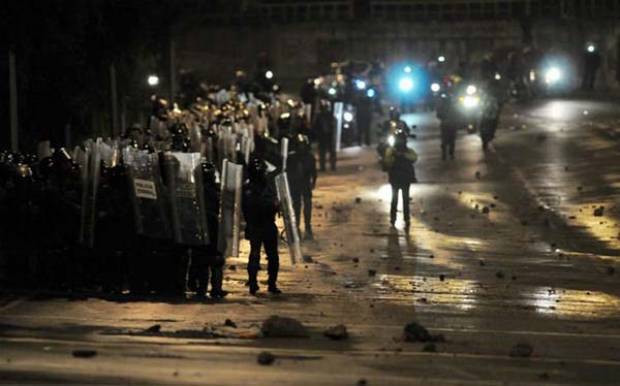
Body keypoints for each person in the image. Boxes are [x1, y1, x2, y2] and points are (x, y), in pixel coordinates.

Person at [242, 158, 281, 295]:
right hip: (265, 225)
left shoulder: (246, 188)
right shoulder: (268, 187)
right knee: (271, 256)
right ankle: (270, 284)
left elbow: (243, 209)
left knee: (255, 254)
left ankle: (253, 283)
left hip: (255, 226)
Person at [188, 161, 227, 299]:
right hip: (211, 227)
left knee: (202, 258)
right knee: (214, 258)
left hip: (203, 227)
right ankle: (214, 288)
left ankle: (202, 288)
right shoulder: (213, 191)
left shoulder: (196, 191)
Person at [383, 130, 418, 228]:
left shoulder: (407, 152)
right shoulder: (391, 151)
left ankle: (404, 218)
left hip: (402, 179)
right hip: (397, 179)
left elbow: (414, 158)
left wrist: (402, 155)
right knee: (397, 199)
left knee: (403, 199)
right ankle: (395, 218)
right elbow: (387, 162)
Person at [287, 134, 317, 240]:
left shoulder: (310, 157)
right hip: (296, 185)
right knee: (296, 206)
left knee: (307, 205)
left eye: (303, 145)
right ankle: (296, 228)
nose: (301, 147)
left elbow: (314, 171)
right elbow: (288, 173)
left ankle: (307, 227)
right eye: (300, 145)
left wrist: (313, 181)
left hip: (305, 184)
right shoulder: (291, 157)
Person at [313, 100, 337, 171]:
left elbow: (333, 125)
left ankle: (332, 166)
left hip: (329, 135)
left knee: (331, 151)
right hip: (322, 136)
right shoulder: (319, 116)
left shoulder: (330, 116)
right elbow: (315, 126)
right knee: (322, 152)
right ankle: (323, 166)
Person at [436, 96, 459, 160]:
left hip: (447, 125)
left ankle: (446, 154)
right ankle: (450, 154)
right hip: (449, 125)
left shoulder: (443, 107)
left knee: (446, 140)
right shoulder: (452, 107)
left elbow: (438, 115)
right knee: (451, 140)